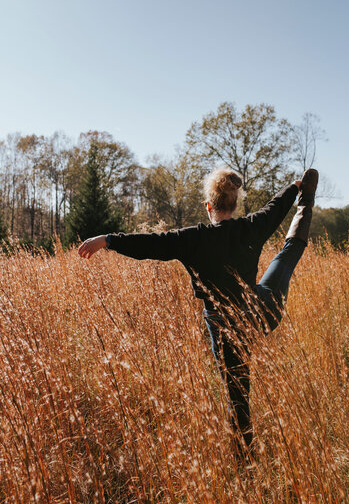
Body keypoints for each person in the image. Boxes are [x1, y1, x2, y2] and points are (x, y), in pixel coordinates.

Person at [78, 167, 318, 461]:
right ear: (234, 205)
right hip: (260, 311)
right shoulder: (252, 226)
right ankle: (308, 205)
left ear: (209, 206)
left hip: (225, 328)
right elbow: (275, 208)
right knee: (286, 256)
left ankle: (246, 463)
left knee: (238, 397)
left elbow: (151, 244)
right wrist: (296, 189)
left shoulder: (192, 238)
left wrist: (108, 239)